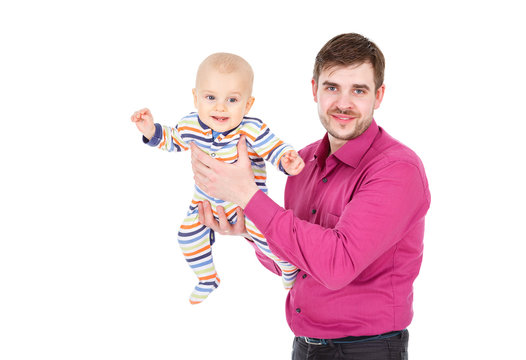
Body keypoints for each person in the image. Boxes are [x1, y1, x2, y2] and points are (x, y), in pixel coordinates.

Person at [190, 34, 431, 359]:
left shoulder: (397, 170)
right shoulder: (300, 164)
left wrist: (248, 196)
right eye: (332, 87)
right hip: (304, 347)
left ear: (379, 96)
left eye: (358, 90)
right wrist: (250, 229)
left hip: (368, 351)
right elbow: (294, 263)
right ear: (315, 89)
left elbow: (336, 266)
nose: (343, 103)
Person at [131, 53, 304, 304]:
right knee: (187, 236)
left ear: (247, 105)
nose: (220, 107)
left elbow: (273, 148)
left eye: (232, 100)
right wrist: (151, 130)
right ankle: (207, 277)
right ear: (195, 98)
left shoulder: (251, 128)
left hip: (248, 205)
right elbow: (172, 140)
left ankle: (287, 266)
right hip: (204, 203)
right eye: (210, 97)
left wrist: (287, 161)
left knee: (268, 236)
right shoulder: (191, 124)